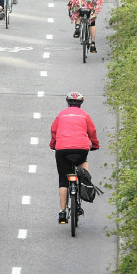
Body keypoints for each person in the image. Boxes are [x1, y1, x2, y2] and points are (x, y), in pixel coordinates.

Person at [49, 92, 100, 224]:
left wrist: (53, 144)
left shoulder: (61, 114)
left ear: (67, 102)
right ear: (81, 103)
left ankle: (62, 212)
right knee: (82, 162)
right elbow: (92, 131)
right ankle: (84, 180)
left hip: (62, 149)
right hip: (81, 148)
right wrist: (95, 144)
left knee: (63, 179)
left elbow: (54, 130)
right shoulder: (85, 115)